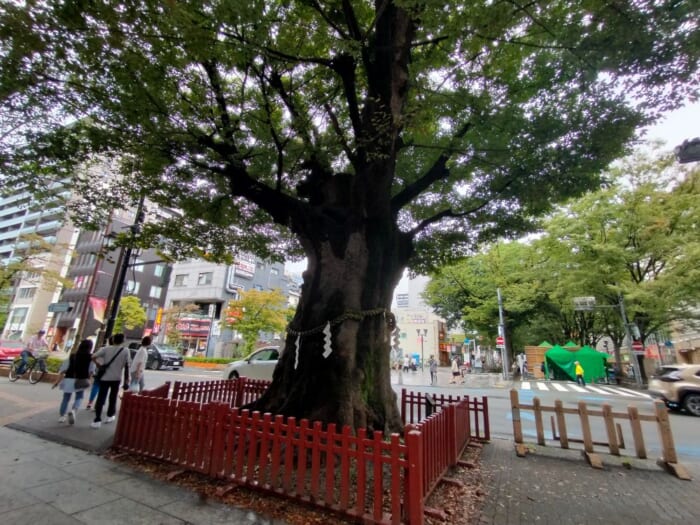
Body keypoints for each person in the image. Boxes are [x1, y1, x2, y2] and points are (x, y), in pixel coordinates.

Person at [90, 333, 130, 429]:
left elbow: (93, 356)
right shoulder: (125, 351)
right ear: (123, 341)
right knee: (112, 397)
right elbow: (127, 366)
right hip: (116, 378)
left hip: (104, 377)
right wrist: (126, 380)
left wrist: (98, 365)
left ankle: (97, 419)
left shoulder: (106, 349)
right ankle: (109, 416)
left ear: (113, 340)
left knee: (101, 398)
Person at [52, 339, 94, 424]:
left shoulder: (72, 356)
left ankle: (62, 416)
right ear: (90, 347)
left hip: (69, 379)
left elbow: (63, 370)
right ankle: (74, 410)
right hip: (81, 380)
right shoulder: (91, 357)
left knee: (66, 398)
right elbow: (91, 371)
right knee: (79, 397)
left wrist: (57, 382)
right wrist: (89, 380)